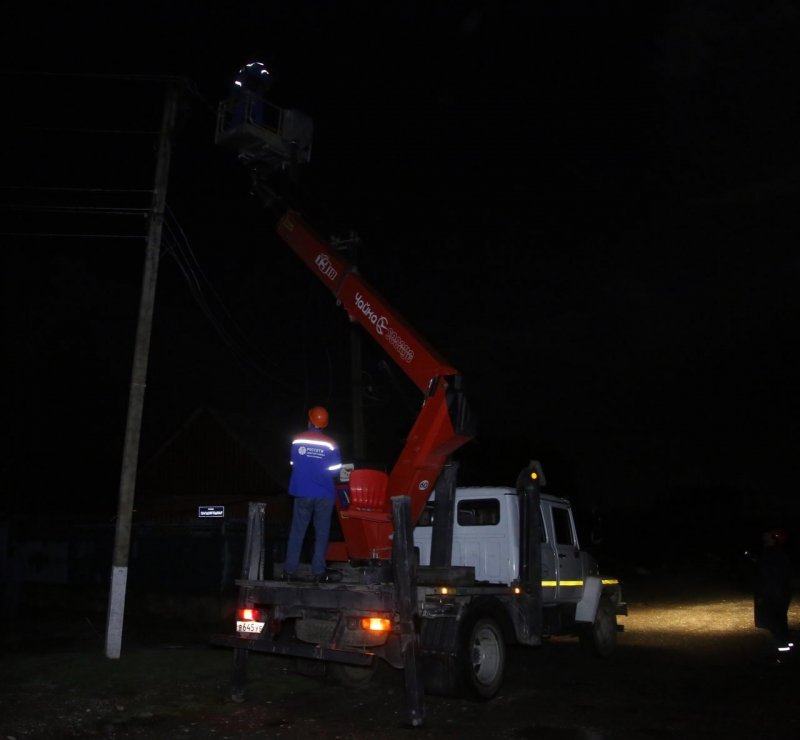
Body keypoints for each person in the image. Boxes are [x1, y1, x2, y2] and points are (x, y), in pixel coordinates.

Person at [283, 406, 342, 583]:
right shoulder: (331, 444)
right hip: (324, 494)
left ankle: (289, 570)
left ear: (310, 420)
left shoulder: (297, 440)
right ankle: (318, 571)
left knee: (297, 532)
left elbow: (294, 463)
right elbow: (335, 470)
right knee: (322, 533)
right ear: (324, 424)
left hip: (302, 493)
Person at [753, 528, 793, 661]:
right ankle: (787, 647)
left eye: (767, 537)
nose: (764, 539)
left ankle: (783, 652)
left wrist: (764, 595)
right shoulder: (775, 553)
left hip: (774, 593)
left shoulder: (774, 555)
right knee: (780, 621)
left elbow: (770, 576)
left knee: (774, 622)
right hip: (780, 592)